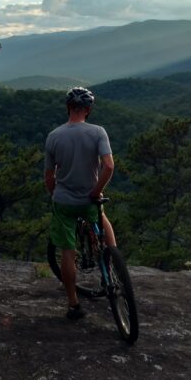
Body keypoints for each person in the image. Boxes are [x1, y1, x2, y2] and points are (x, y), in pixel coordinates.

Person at [44, 87, 118, 320]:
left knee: (67, 251)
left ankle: (73, 304)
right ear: (88, 110)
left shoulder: (54, 136)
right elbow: (108, 166)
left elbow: (49, 176)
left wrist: (54, 194)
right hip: (89, 199)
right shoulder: (98, 132)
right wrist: (96, 191)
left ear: (68, 108)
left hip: (64, 201)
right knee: (102, 217)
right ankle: (113, 262)